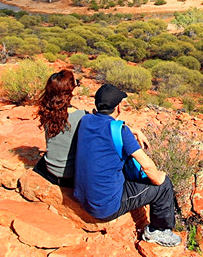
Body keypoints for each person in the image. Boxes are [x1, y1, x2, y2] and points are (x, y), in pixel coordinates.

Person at [73, 83, 181, 247]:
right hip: (105, 206)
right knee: (164, 184)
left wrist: (134, 130)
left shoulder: (86, 120)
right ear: (118, 107)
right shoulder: (120, 131)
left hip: (82, 197)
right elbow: (147, 165)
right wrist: (159, 179)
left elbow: (106, 128)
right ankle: (158, 231)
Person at [34, 70, 86, 188]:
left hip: (50, 171)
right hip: (70, 177)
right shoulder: (82, 116)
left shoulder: (46, 111)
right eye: (75, 83)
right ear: (71, 90)